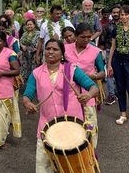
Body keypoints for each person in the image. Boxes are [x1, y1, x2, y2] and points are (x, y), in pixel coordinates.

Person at [22, 39, 99, 173]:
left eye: (55, 49)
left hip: (73, 127)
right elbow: (27, 95)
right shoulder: (36, 73)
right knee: (44, 166)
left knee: (75, 167)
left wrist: (88, 95)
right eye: (48, 48)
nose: (50, 51)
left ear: (62, 54)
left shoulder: (72, 69)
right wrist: (28, 104)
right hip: (46, 128)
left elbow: (94, 87)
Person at [65, 23, 105, 148]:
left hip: (88, 92)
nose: (87, 40)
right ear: (76, 36)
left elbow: (102, 73)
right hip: (68, 92)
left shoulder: (95, 51)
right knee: (70, 123)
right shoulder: (65, 49)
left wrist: (89, 77)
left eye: (89, 37)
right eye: (83, 37)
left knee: (89, 124)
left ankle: (89, 152)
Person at [103, 5, 120, 105]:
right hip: (110, 51)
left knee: (120, 73)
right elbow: (103, 40)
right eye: (114, 12)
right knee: (110, 73)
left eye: (118, 12)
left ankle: (118, 92)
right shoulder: (108, 26)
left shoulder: (126, 25)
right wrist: (103, 52)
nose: (116, 14)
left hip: (123, 52)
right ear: (111, 14)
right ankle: (111, 95)